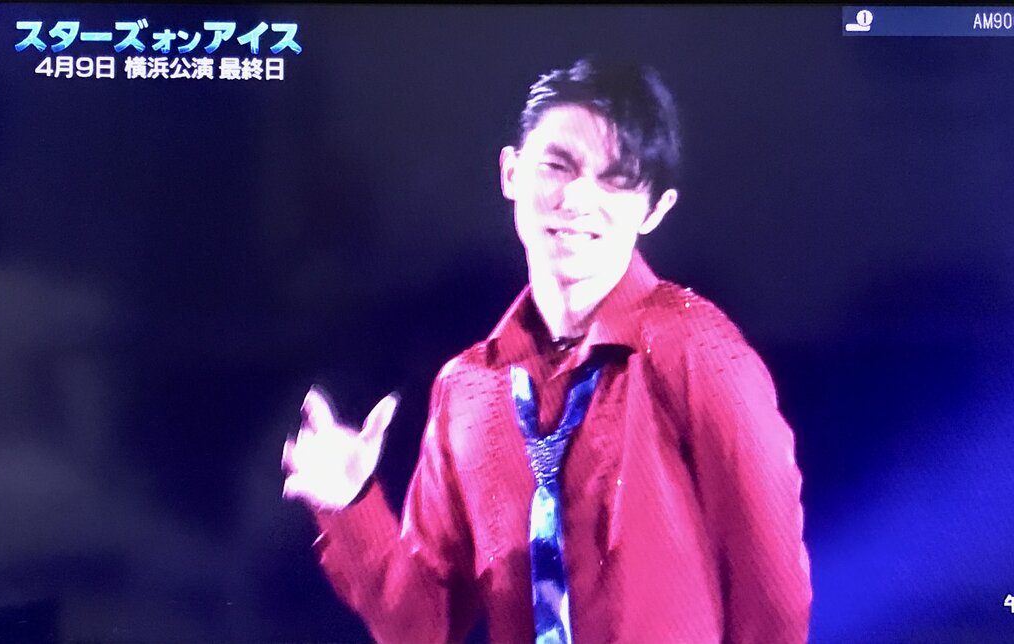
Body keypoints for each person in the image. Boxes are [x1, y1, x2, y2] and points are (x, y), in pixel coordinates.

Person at [282, 57, 811, 643]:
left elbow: (773, 596)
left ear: (655, 209)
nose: (577, 197)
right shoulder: (468, 389)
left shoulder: (698, 349)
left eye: (617, 179)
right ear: (511, 173)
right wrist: (352, 503)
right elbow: (423, 626)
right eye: (558, 166)